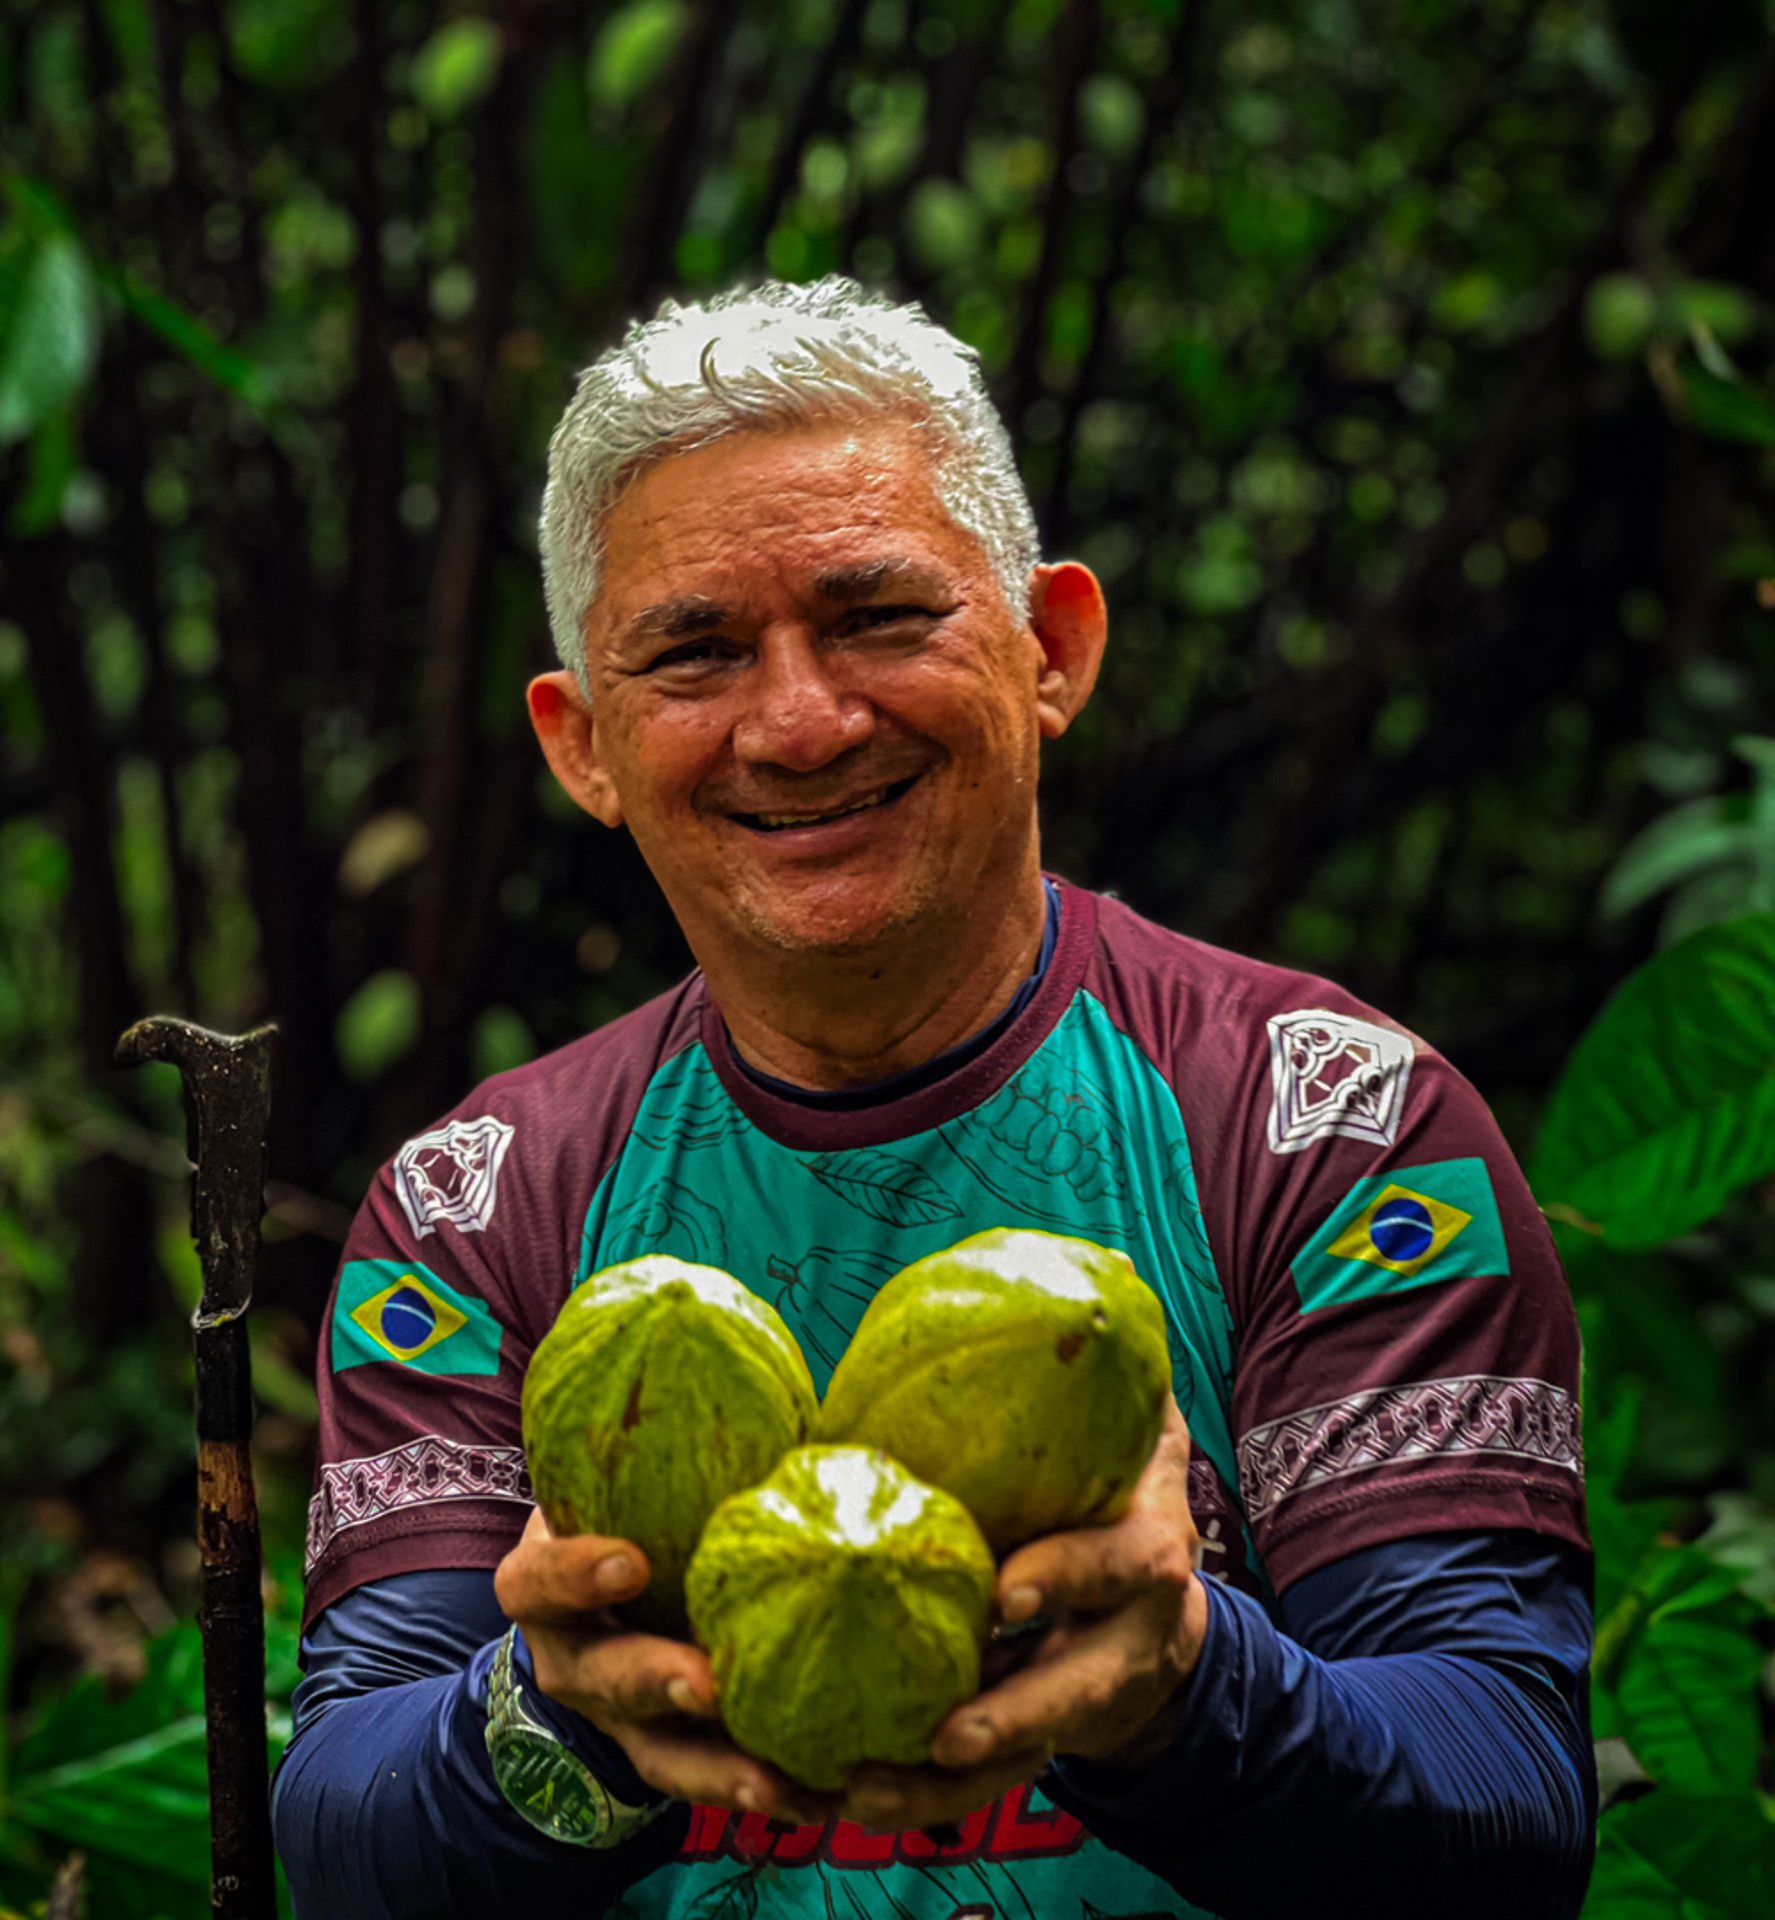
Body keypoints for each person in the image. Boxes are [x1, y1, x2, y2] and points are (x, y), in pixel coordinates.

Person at [270, 279, 1594, 1920]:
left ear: (1054, 648)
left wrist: (1181, 1690)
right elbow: (335, 1839)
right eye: (692, 653)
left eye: (882, 619)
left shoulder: (1328, 1127)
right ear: (582, 746)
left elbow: (1507, 1808)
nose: (803, 722)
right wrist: (558, 1725)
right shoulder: (480, 1204)